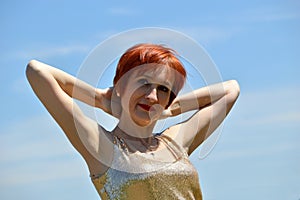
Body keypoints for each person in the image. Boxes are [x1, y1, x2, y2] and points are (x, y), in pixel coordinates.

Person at [26, 43, 240, 200]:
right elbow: (37, 72)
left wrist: (169, 109)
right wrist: (101, 99)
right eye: (143, 83)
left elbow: (230, 90)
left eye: (163, 89)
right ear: (120, 86)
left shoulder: (176, 141)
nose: (152, 96)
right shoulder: (101, 146)